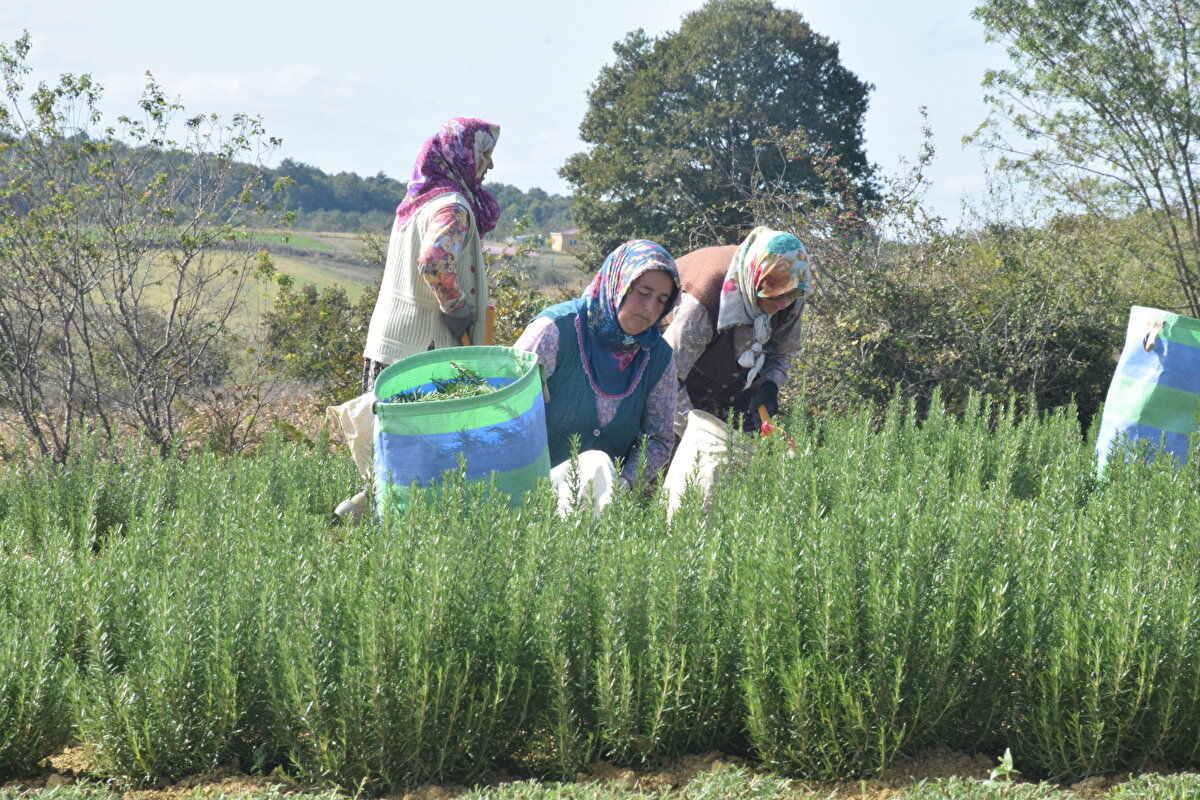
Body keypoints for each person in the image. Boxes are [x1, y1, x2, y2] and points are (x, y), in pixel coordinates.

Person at [513, 240, 680, 511]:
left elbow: (659, 438)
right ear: (619, 283)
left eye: (662, 300)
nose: (651, 308)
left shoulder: (656, 358)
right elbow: (507, 413)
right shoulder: (555, 332)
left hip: (599, 510)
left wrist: (621, 486)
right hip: (530, 496)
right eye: (644, 292)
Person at [361, 117, 500, 393]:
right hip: (424, 355)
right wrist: (456, 308)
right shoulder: (451, 207)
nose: (491, 165)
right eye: (483, 154)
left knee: (386, 436)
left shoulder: (418, 201)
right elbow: (434, 260)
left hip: (392, 347)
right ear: (460, 156)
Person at [661, 226, 812, 436]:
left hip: (731, 390)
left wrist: (771, 385)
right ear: (753, 283)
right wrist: (697, 435)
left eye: (791, 296)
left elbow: (783, 351)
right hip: (675, 386)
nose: (782, 304)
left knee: (742, 457)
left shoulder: (791, 290)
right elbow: (665, 376)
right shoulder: (704, 302)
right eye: (774, 297)